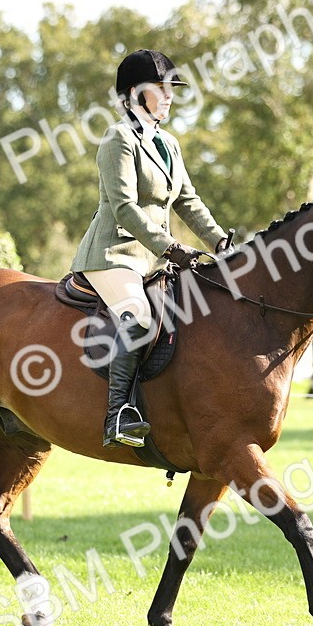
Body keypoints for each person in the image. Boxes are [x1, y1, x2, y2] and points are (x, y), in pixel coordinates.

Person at [71, 49, 230, 448]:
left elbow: (188, 201)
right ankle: (119, 416)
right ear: (133, 94)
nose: (169, 95)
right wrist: (172, 246)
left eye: (170, 88)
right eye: (159, 88)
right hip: (113, 256)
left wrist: (220, 241)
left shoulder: (169, 144)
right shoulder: (117, 139)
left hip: (154, 260)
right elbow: (124, 208)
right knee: (140, 317)